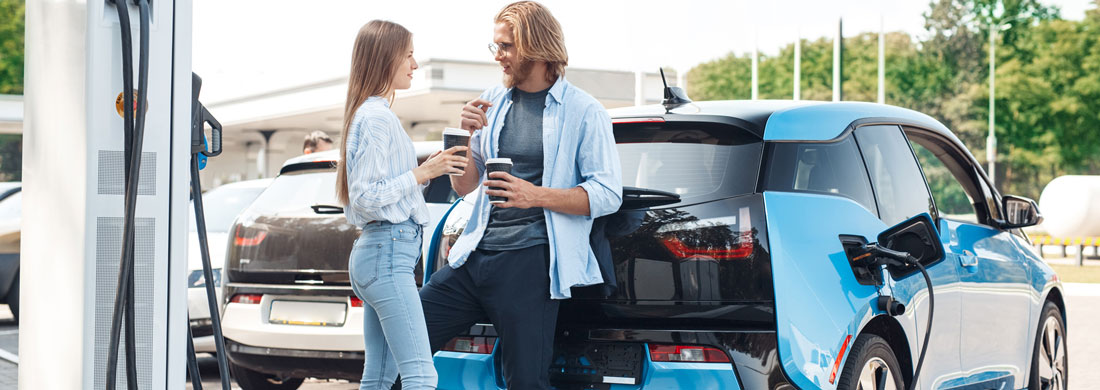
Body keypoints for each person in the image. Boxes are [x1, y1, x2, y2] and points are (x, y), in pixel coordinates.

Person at [418, 2, 623, 389]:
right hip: (474, 255)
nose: (499, 56)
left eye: (507, 46)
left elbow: (607, 193)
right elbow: (467, 187)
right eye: (495, 46)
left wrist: (534, 196)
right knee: (406, 336)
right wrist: (468, 137)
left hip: (530, 265)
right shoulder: (492, 99)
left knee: (524, 381)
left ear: (538, 47)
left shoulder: (584, 111)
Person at [335, 20, 466, 390]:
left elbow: (371, 191)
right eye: (409, 54)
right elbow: (366, 196)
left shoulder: (367, 114)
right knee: (421, 375)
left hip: (377, 254)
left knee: (378, 377)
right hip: (387, 255)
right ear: (386, 57)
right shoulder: (377, 117)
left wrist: (422, 170)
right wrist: (424, 172)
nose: (415, 64)